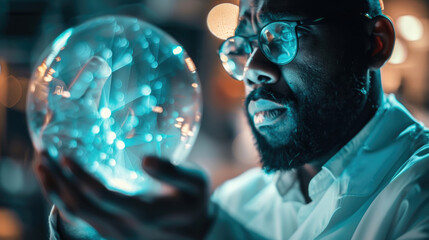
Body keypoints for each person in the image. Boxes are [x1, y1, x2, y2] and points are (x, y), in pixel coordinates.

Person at [35, 0, 429, 239]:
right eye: (244, 46)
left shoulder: (417, 195)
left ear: (374, 43)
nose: (253, 69)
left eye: (283, 35)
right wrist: (84, 221)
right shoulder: (237, 202)